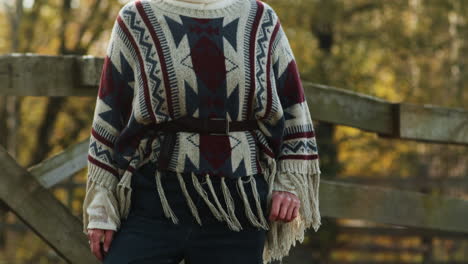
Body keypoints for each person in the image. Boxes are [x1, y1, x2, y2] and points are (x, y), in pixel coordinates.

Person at [82, 0, 322, 263]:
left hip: (239, 203)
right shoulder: (136, 18)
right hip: (155, 196)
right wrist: (101, 206)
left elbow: (293, 108)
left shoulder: (260, 18)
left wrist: (288, 185)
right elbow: (109, 114)